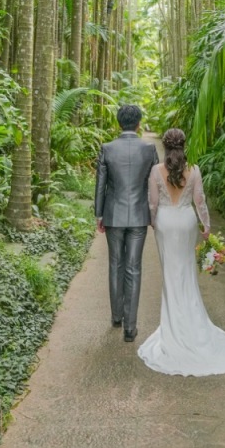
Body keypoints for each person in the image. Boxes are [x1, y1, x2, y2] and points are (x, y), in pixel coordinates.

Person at [138, 128, 225, 377]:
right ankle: (192, 325)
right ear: (183, 145)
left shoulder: (156, 171)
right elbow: (199, 201)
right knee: (186, 272)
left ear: (166, 147)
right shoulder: (195, 170)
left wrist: (153, 221)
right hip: (187, 221)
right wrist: (206, 224)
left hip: (166, 224)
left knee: (170, 274)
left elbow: (153, 203)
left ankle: (173, 328)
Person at [94, 104, 158, 342]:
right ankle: (130, 328)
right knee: (134, 267)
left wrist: (99, 215)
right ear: (138, 123)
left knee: (115, 264)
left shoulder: (107, 148)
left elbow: (101, 185)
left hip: (113, 215)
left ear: (119, 123)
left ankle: (117, 317)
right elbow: (154, 185)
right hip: (139, 216)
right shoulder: (149, 149)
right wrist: (154, 215)